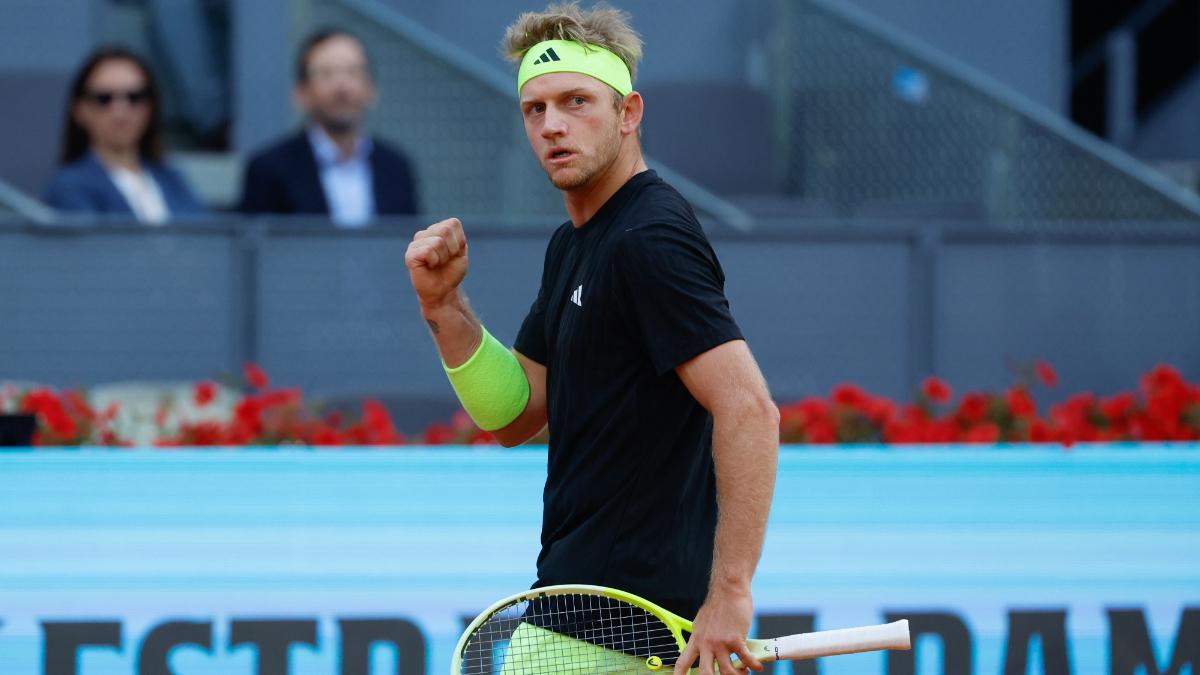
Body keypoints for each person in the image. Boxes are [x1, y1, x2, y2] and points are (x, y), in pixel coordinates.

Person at [404, 4, 779, 674]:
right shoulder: (574, 243)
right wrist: (444, 306)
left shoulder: (650, 237)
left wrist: (730, 593)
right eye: (535, 108)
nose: (552, 125)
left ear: (628, 112)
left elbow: (749, 408)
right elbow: (517, 412)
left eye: (577, 102)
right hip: (581, 620)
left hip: (615, 634)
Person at [239, 28, 419, 227]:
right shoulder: (268, 171)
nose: (341, 87)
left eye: (353, 72)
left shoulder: (396, 168)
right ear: (301, 93)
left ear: (371, 89)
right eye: (326, 74)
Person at [44, 46, 207, 222]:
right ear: (79, 110)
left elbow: (208, 239)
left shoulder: (171, 178)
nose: (120, 111)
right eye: (104, 98)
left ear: (150, 108)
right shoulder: (69, 187)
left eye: (134, 97)